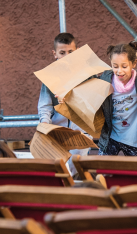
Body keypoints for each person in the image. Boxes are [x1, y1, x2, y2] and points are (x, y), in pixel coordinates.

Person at [38, 33, 92, 178]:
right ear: (54, 54)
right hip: (57, 131)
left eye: (71, 52)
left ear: (78, 51)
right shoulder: (49, 76)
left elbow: (92, 103)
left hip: (80, 132)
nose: (67, 56)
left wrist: (72, 100)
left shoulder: (87, 75)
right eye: (62, 53)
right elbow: (45, 105)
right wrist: (45, 124)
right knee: (59, 170)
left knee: (78, 170)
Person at [98, 41, 137, 156]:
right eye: (115, 66)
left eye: (124, 66)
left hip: (134, 139)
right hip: (111, 136)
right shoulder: (105, 78)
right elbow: (87, 91)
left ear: (134, 63)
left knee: (136, 172)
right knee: (102, 170)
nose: (119, 71)